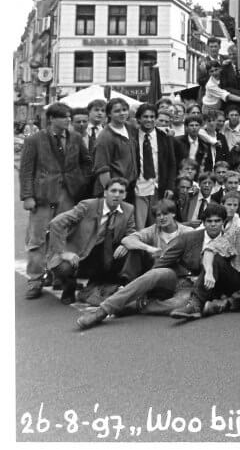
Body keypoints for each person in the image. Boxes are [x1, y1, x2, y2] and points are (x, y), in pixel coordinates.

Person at [75, 204, 227, 330]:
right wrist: (149, 282)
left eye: (217, 221)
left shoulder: (230, 241)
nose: (213, 224)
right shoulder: (190, 237)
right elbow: (165, 259)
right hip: (177, 278)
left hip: (197, 289)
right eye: (209, 221)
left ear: (223, 223)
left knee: (181, 305)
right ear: (204, 222)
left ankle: (137, 305)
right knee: (156, 273)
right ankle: (102, 311)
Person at [20, 102, 92, 299]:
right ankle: (35, 280)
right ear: (51, 118)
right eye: (63, 116)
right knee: (37, 239)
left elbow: (87, 162)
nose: (68, 119)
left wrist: (80, 179)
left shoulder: (75, 138)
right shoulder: (34, 139)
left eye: (69, 116)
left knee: (64, 237)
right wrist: (27, 196)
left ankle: (60, 276)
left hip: (68, 193)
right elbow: (26, 170)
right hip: (43, 195)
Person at [171, 202, 240, 318]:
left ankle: (229, 303)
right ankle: (195, 305)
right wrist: (209, 273)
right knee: (216, 259)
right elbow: (209, 250)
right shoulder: (235, 234)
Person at [47, 176, 137, 304]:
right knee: (64, 267)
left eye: (121, 192)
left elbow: (132, 233)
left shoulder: (128, 209)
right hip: (78, 251)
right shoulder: (87, 206)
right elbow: (56, 223)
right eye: (113, 191)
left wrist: (127, 244)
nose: (117, 195)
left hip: (103, 253)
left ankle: (101, 285)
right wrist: (63, 252)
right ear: (105, 193)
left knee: (133, 251)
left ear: (125, 195)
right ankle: (69, 287)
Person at [131, 102, 177, 229]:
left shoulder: (164, 136)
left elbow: (172, 164)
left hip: (158, 187)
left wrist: (170, 187)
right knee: (139, 228)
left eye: (152, 117)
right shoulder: (131, 136)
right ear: (139, 118)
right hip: (138, 188)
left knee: (157, 227)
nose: (149, 120)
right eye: (145, 117)